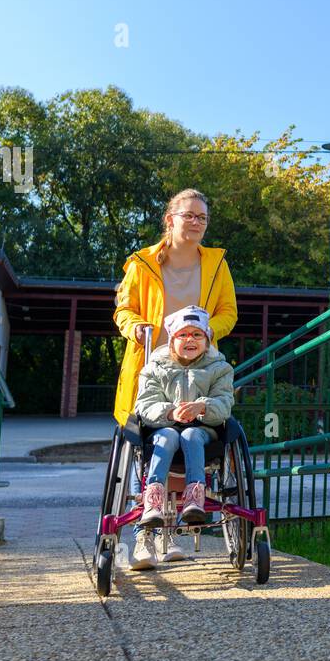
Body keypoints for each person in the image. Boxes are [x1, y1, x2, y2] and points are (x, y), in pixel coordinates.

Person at [112, 188, 237, 430]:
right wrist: (136, 327)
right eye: (189, 215)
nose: (196, 222)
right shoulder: (141, 264)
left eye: (202, 218)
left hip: (200, 370)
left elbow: (228, 312)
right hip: (153, 369)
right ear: (170, 219)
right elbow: (124, 310)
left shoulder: (218, 266)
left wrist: (209, 330)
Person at [129, 305, 235, 570]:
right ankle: (152, 504)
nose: (190, 340)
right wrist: (170, 411)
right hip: (162, 428)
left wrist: (202, 407)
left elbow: (225, 403)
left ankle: (194, 499)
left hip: (203, 429)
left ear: (207, 340)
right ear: (172, 338)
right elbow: (145, 404)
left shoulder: (219, 368)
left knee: (190, 435)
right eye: (183, 334)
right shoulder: (155, 367)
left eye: (197, 335)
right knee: (167, 436)